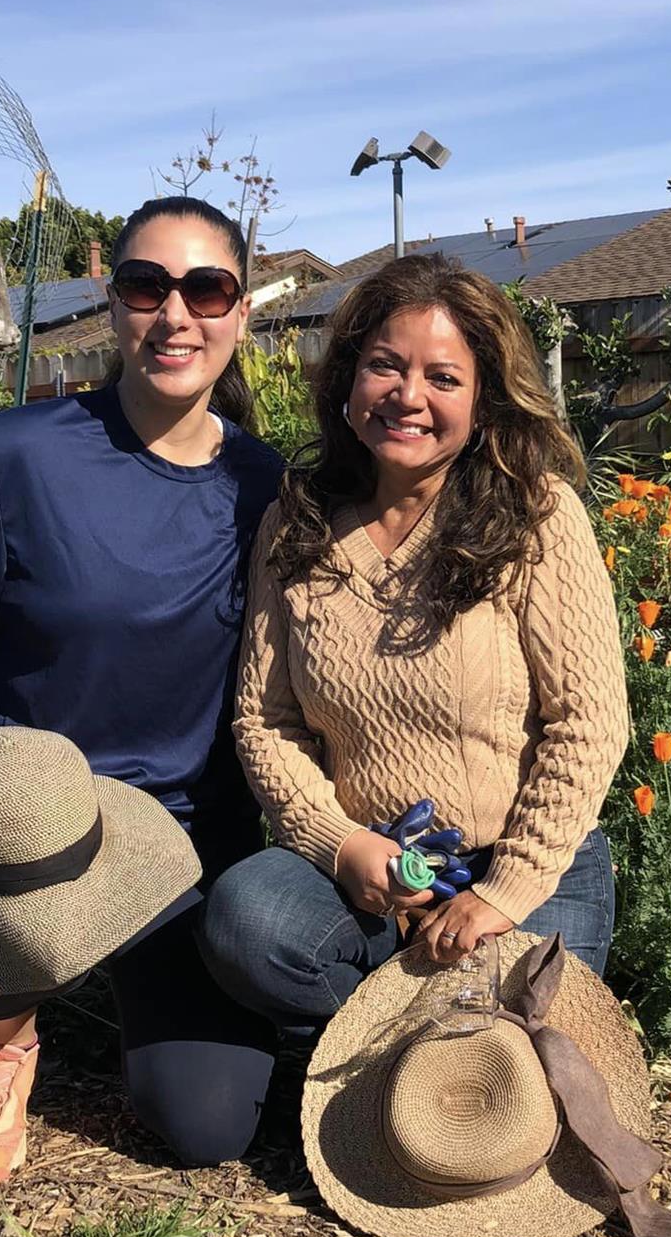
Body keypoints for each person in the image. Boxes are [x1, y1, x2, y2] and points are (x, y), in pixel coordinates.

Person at [0, 195, 284, 1191]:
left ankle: (140, 976)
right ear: (111, 305)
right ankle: (6, 1035)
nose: (176, 314)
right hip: (32, 843)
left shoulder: (269, 488)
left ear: (241, 312)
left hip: (180, 843)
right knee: (24, 871)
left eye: (206, 288)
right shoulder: (15, 460)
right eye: (144, 285)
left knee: (210, 1124)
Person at [196, 251, 630, 1154]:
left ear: (482, 401)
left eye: (443, 377)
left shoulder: (533, 516)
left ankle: (400, 1064)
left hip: (523, 864)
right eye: (386, 365)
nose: (407, 396)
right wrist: (339, 843)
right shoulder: (298, 522)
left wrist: (505, 892)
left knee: (516, 1054)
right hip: (362, 876)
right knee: (248, 918)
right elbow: (264, 720)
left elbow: (589, 724)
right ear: (351, 376)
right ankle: (401, 1063)